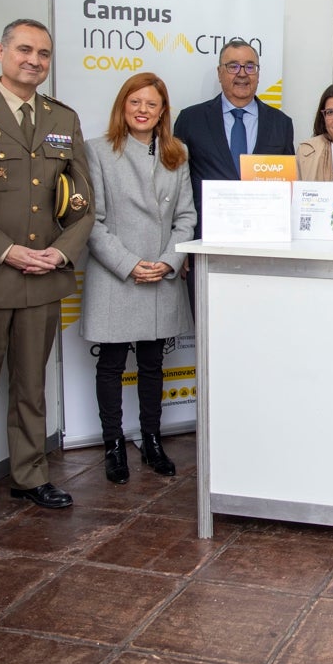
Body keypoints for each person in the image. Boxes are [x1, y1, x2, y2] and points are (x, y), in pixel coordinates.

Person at [0, 18, 95, 530]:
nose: (34, 60)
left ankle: (31, 475)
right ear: (1, 51)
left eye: (44, 53)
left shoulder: (62, 117)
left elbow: (82, 201)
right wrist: (4, 250)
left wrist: (60, 253)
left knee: (31, 386)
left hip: (43, 277)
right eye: (25, 50)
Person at [82, 73, 197, 483]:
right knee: (111, 365)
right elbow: (90, 221)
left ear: (163, 110)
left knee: (152, 365)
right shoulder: (97, 151)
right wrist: (129, 263)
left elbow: (186, 217)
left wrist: (167, 261)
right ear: (123, 106)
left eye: (152, 104)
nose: (143, 110)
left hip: (160, 274)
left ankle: (152, 440)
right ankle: (113, 446)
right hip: (118, 275)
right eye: (136, 102)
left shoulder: (176, 153)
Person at [173, 40, 294, 238]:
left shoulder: (281, 123)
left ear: (258, 73)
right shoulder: (190, 120)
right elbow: (176, 185)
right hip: (204, 238)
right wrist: (180, 241)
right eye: (233, 66)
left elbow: (286, 188)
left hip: (265, 237)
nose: (242, 73)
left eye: (249, 66)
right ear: (219, 73)